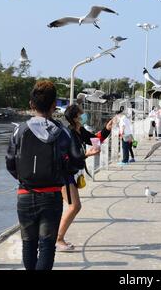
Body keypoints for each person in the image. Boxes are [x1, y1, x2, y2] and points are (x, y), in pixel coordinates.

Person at [5, 81, 84, 270]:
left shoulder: (20, 130)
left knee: (29, 244)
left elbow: (10, 163)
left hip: (25, 195)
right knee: (47, 246)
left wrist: (25, 179)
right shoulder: (63, 132)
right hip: (52, 196)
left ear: (32, 104)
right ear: (54, 105)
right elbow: (77, 162)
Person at [56, 104, 114, 251]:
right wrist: (87, 154)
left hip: (69, 173)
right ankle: (58, 239)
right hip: (63, 175)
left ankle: (56, 238)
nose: (84, 115)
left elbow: (94, 139)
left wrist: (107, 129)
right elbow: (75, 154)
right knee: (74, 206)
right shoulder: (69, 133)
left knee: (70, 206)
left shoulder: (79, 130)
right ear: (75, 117)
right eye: (81, 114)